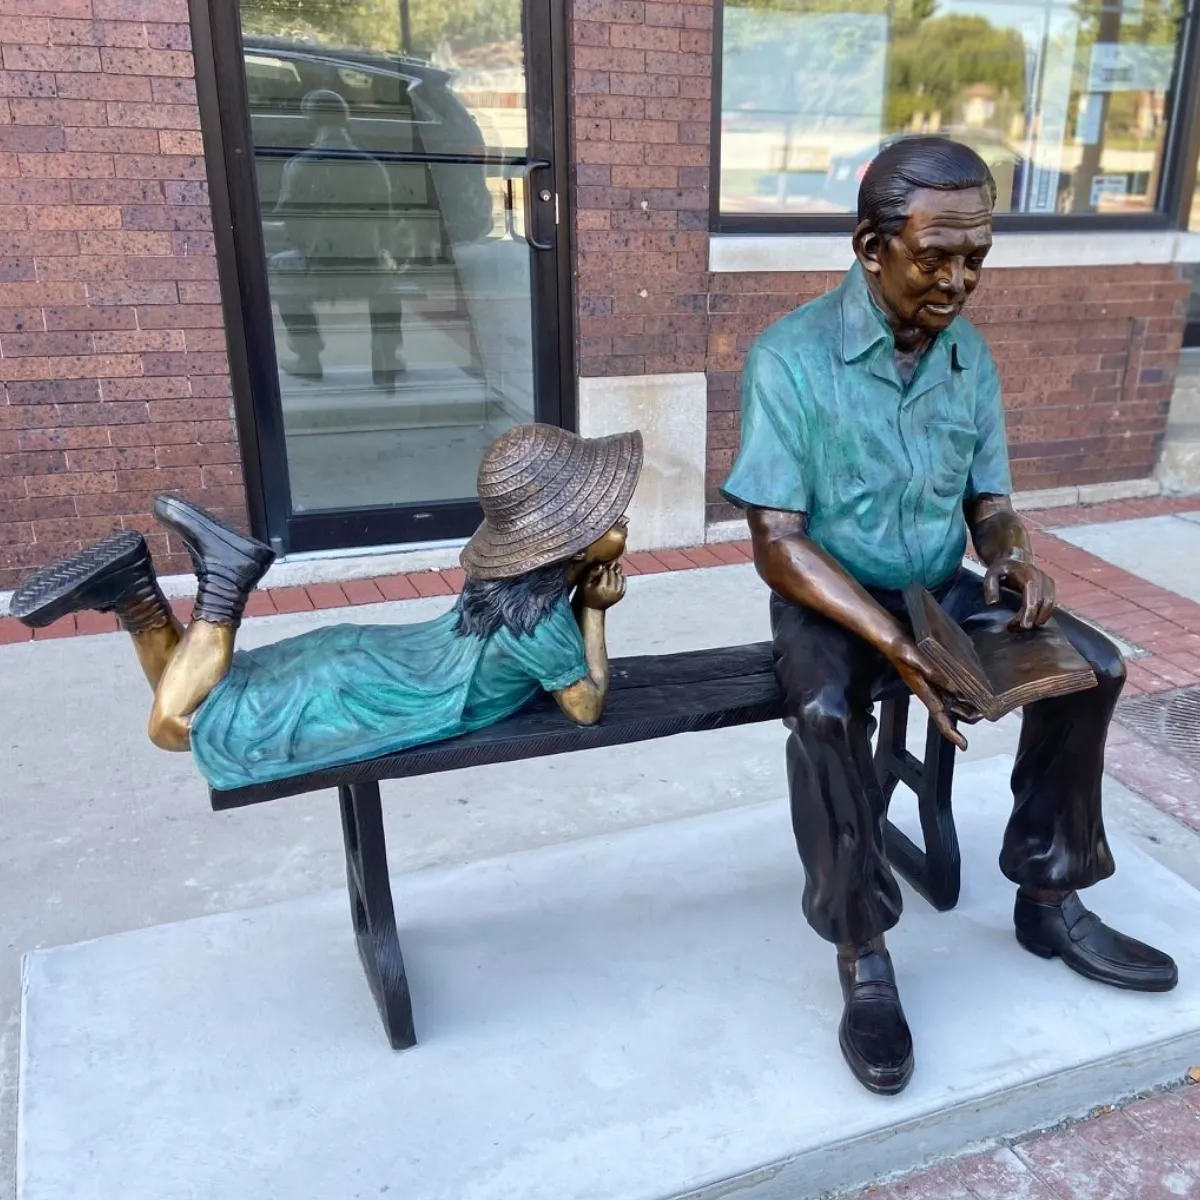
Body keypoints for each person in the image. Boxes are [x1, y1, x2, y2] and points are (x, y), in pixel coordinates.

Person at [721, 136, 1176, 1097]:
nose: (961, 280)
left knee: (1094, 668)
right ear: (870, 245)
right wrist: (888, 642)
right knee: (824, 718)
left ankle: (1049, 893)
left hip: (942, 592)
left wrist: (1012, 558)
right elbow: (778, 541)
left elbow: (989, 502)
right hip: (832, 598)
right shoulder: (790, 358)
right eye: (938, 257)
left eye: (977, 258)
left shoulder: (970, 358)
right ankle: (863, 949)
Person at [9, 425, 642, 792]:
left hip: (369, 655)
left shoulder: (503, 586)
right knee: (176, 728)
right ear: (569, 542)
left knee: (218, 693)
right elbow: (586, 708)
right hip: (374, 694)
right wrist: (594, 610)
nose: (622, 521)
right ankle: (225, 585)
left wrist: (576, 586)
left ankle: (137, 599)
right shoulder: (544, 621)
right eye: (609, 518)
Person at [270, 88, 406, 390]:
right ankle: (388, 357)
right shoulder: (372, 164)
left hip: (321, 269)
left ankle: (308, 358)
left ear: (310, 122)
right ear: (346, 121)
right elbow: (387, 221)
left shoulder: (300, 164)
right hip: (369, 268)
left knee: (278, 267)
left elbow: (290, 222)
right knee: (390, 272)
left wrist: (311, 247)